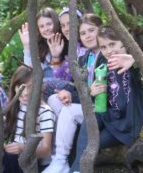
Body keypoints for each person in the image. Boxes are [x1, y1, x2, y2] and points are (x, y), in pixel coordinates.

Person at [69, 26, 143, 173]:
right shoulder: (105, 66)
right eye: (104, 47)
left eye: (112, 44)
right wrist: (92, 92)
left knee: (92, 143)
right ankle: (76, 170)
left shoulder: (135, 67)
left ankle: (77, 170)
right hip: (109, 117)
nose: (108, 50)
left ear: (124, 43)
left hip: (125, 127)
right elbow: (99, 100)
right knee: (89, 121)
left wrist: (134, 60)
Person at [42, 13, 104, 173]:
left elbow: (93, 88)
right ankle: (59, 157)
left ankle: (61, 158)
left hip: (98, 107)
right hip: (84, 100)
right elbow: (69, 80)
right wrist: (56, 57)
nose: (87, 36)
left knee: (65, 107)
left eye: (91, 31)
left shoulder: (100, 52)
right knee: (54, 99)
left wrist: (73, 93)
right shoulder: (83, 54)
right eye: (84, 33)